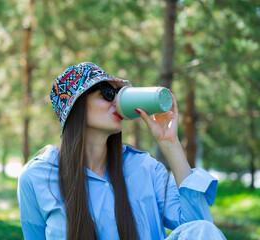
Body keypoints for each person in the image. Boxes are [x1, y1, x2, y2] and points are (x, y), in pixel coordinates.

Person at [17, 62, 226, 240]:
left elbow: (199, 228)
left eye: (119, 94)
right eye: (108, 94)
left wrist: (171, 143)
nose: (118, 102)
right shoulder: (36, 177)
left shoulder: (145, 168)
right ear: (76, 105)